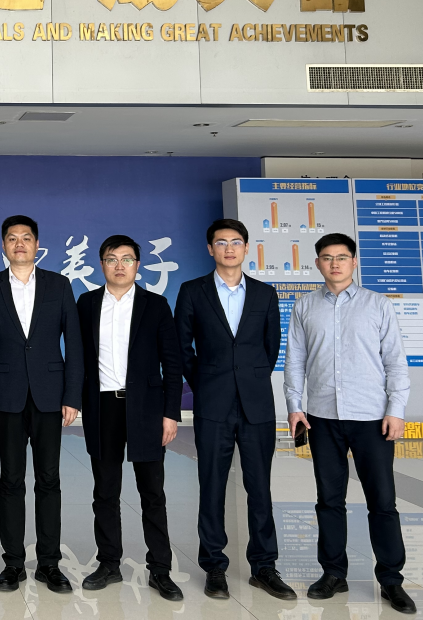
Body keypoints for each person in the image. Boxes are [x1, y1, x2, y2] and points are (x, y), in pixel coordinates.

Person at [286, 233, 415, 614]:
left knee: (382, 501)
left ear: (354, 262)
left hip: (371, 417)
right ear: (317, 263)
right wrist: (294, 406)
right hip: (322, 417)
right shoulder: (305, 306)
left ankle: (391, 579)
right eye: (327, 258)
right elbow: (295, 360)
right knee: (329, 500)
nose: (335, 264)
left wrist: (396, 409)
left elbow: (395, 361)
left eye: (342, 257)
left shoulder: (377, 304)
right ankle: (333, 573)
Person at [173, 219, 295, 601]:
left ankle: (264, 567)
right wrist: (206, 381)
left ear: (246, 248)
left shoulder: (265, 293)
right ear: (210, 248)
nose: (229, 248)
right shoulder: (192, 291)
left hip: (256, 404)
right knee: (211, 486)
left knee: (260, 488)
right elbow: (182, 348)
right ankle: (214, 567)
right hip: (213, 403)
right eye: (221, 242)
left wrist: (250, 378)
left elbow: (270, 346)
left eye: (236, 242)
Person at [0, 215, 83, 594]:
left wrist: (72, 395)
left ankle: (49, 563)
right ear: (4, 246)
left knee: (49, 479)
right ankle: (14, 563)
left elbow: (75, 343)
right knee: (11, 479)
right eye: (12, 238)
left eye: (26, 238)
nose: (19, 243)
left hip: (50, 395)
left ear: (37, 244)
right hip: (6, 396)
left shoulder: (59, 284)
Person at [75, 235, 183, 601]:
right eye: (111, 259)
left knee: (152, 492)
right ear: (101, 265)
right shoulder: (87, 303)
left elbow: (172, 364)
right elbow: (78, 359)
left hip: (146, 409)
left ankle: (160, 569)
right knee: (105, 491)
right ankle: (109, 564)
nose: (119, 265)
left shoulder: (156, 305)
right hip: (102, 406)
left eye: (127, 259)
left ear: (138, 265)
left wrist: (170, 413)